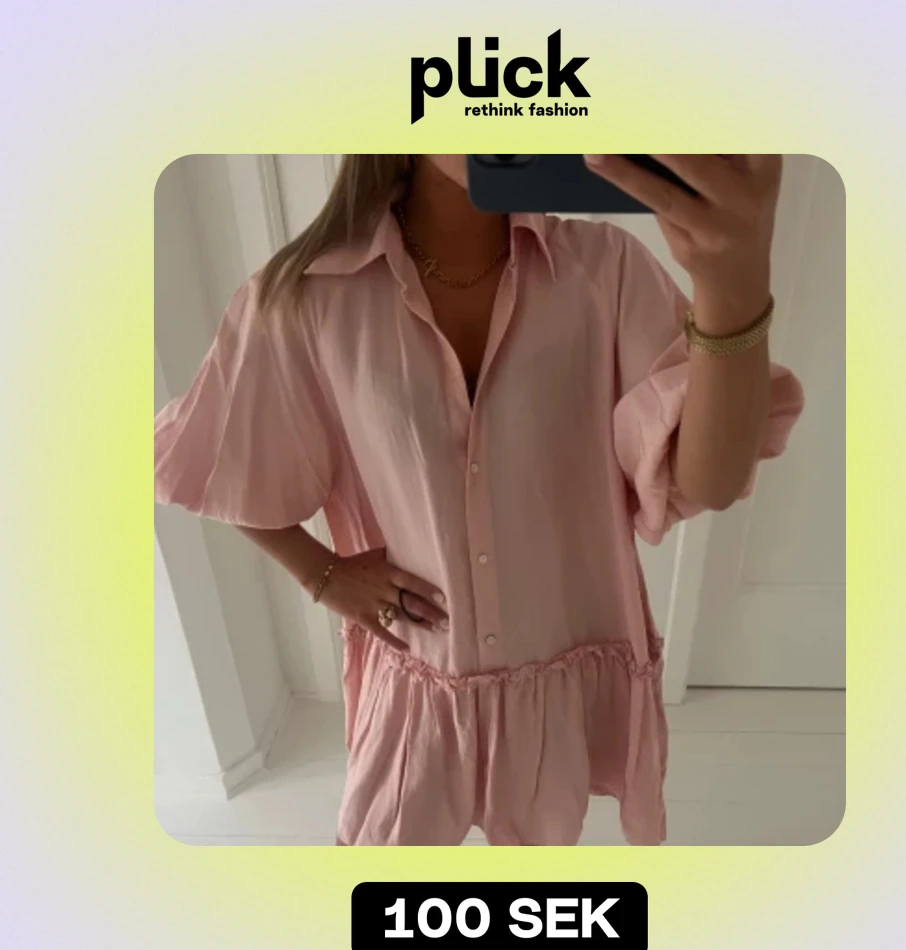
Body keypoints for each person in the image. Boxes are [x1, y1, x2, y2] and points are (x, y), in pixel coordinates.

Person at [154, 154, 805, 846]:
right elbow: (209, 456)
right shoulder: (307, 297)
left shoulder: (605, 272)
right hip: (417, 676)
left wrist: (731, 288)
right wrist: (323, 575)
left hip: (562, 666)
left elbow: (710, 481)